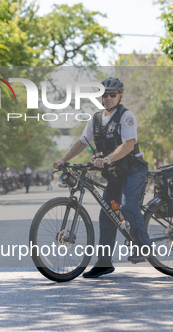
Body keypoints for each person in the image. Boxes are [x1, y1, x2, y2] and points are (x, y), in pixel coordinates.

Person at [53, 77, 150, 278]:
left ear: (120, 96)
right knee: (106, 214)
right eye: (104, 95)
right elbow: (81, 142)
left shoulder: (126, 116)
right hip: (116, 173)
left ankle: (144, 246)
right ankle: (104, 262)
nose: (108, 98)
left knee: (127, 206)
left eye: (112, 94)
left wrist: (106, 158)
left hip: (133, 170)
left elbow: (129, 145)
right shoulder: (95, 119)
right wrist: (64, 159)